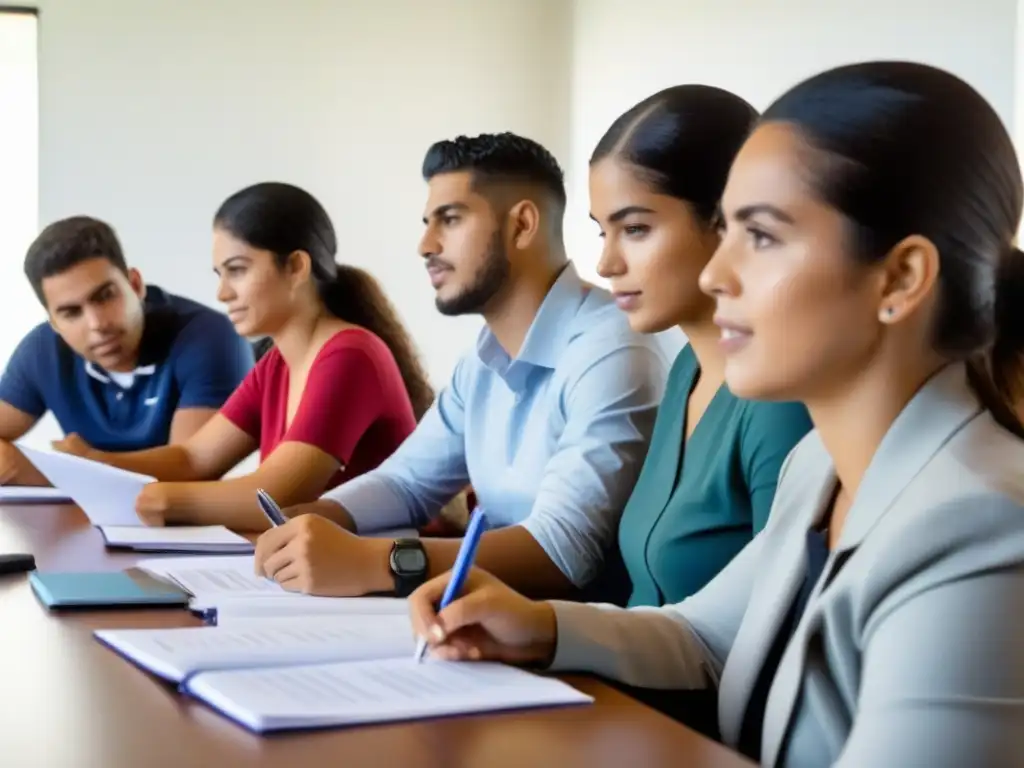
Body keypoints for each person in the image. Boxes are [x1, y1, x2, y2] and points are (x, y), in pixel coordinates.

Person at [408, 62, 1024, 767]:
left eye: (761, 237)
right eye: (725, 231)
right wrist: (538, 626)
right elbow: (704, 634)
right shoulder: (819, 467)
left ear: (901, 277)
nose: (715, 274)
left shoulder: (980, 527)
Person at [253, 132, 668, 601]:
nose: (425, 244)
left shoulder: (613, 347)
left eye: (449, 220)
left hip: (569, 645)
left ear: (523, 224)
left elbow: (564, 549)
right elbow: (407, 483)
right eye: (428, 222)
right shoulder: (483, 358)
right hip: (488, 625)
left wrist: (372, 560)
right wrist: (308, 523)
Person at [53, 183, 432, 529]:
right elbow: (194, 459)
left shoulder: (351, 355)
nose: (222, 293)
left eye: (236, 271)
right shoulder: (276, 363)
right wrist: (93, 461)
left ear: (297, 267)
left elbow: (277, 496)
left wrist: (165, 499)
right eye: (219, 274)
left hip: (381, 586)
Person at [590, 85, 812, 609]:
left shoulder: (778, 401)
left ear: (726, 221)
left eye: (636, 229)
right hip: (627, 679)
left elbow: (775, 626)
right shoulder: (689, 367)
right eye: (602, 232)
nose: (606, 264)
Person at [0, 216, 252, 486]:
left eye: (105, 296)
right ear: (55, 323)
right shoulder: (42, 349)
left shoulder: (210, 337)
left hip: (176, 524)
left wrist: (65, 469)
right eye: (71, 313)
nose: (97, 325)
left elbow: (192, 471)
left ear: (135, 284)